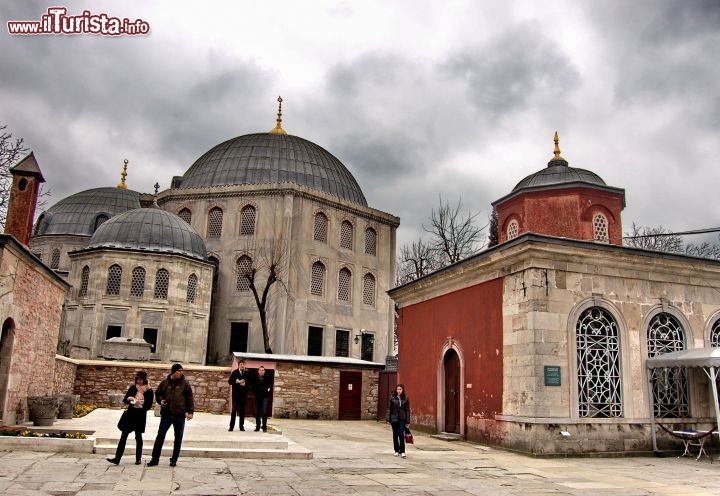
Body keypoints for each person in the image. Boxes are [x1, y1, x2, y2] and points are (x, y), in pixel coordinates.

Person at [147, 363, 194, 467]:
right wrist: (161, 401)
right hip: (167, 414)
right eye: (179, 371)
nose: (181, 373)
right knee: (160, 436)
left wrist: (190, 412)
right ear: (173, 372)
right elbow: (158, 393)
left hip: (180, 415)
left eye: (182, 371)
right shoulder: (165, 382)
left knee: (178, 438)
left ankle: (174, 459)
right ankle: (155, 459)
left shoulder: (185, 383)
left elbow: (190, 398)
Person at [106, 370, 154, 465]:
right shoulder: (133, 388)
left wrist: (141, 404)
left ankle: (138, 459)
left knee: (138, 436)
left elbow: (148, 405)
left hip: (140, 415)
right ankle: (117, 458)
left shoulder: (149, 390)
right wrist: (129, 399)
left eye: (141, 379)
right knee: (124, 435)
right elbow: (125, 399)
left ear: (144, 379)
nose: (139, 381)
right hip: (130, 414)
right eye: (138, 379)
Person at [386, 384, 411, 458]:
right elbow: (389, 408)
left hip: (402, 418)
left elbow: (407, 410)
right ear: (396, 390)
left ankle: (402, 451)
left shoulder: (406, 398)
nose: (399, 391)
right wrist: (388, 418)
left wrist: (408, 420)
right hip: (394, 418)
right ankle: (396, 451)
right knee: (395, 434)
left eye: (400, 389)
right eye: (398, 389)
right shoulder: (392, 398)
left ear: (402, 390)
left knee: (401, 434)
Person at [228, 359, 250, 431]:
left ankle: (241, 426)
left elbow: (251, 382)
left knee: (242, 411)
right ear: (238, 366)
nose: (242, 366)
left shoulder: (247, 373)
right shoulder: (235, 372)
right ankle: (231, 426)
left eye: (243, 364)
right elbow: (230, 381)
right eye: (241, 364)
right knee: (234, 410)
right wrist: (235, 381)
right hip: (236, 395)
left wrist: (245, 383)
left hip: (243, 396)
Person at [252, 366, 273, 432]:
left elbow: (269, 387)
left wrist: (266, 392)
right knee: (257, 412)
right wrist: (256, 393)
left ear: (264, 371)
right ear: (258, 371)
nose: (261, 371)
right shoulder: (255, 378)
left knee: (264, 412)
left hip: (264, 397)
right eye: (260, 370)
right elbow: (253, 387)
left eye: (263, 370)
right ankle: (258, 426)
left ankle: (264, 427)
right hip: (257, 397)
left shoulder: (267, 378)